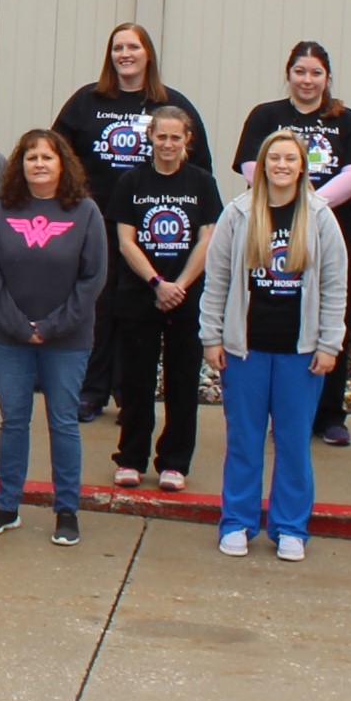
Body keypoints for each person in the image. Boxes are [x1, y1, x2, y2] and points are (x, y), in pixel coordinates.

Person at [201, 131, 350, 560]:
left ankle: (290, 527)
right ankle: (237, 522)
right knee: (244, 440)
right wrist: (212, 336)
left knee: (293, 442)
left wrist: (329, 343)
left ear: (302, 166)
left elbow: (335, 286)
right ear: (263, 165)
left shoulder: (320, 217)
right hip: (245, 350)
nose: (282, 165)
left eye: (290, 159)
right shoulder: (238, 214)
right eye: (274, 158)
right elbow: (217, 280)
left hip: (300, 354)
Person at [55, 23, 209, 432]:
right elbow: (58, 154)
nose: (125, 54)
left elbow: (200, 169)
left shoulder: (172, 104)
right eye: (118, 47)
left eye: (133, 47)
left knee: (138, 311)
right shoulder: (87, 101)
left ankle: (130, 394)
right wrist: (72, 203)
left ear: (148, 54)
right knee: (99, 305)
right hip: (97, 222)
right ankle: (92, 390)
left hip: (156, 231)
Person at [0, 128, 109, 545]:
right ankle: (7, 506)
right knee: (13, 420)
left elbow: (93, 277)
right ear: (21, 164)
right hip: (8, 337)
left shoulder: (85, 211)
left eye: (48, 157)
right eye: (31, 158)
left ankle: (66, 510)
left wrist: (50, 327)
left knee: (63, 421)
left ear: (63, 163)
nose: (40, 164)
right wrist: (18, 326)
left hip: (67, 339)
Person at [232, 42, 351, 446]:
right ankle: (282, 412)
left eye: (315, 73)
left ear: (327, 77)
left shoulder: (346, 121)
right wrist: (289, 201)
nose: (307, 80)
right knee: (278, 313)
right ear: (288, 74)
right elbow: (250, 165)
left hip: (330, 232)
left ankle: (329, 415)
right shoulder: (266, 116)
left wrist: (311, 205)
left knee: (330, 315)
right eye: (300, 72)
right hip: (270, 231)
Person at [104, 104, 218, 492]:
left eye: (175, 137)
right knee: (135, 381)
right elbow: (126, 241)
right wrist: (157, 283)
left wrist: (179, 285)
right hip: (140, 297)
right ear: (150, 137)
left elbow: (207, 237)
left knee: (182, 383)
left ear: (188, 140)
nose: (167, 144)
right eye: (161, 136)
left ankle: (174, 462)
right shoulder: (131, 182)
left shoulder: (202, 182)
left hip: (186, 298)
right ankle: (130, 458)